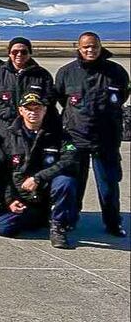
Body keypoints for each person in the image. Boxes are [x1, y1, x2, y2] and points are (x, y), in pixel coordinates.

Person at [54, 32, 129, 237]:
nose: (90, 50)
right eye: (86, 47)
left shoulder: (116, 72)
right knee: (74, 183)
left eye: (94, 46)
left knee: (109, 185)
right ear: (79, 48)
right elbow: (61, 99)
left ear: (100, 47)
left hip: (106, 139)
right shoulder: (67, 72)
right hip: (75, 137)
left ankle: (113, 223)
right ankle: (69, 220)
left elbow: (121, 97)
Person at [0, 92, 79, 249]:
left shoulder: (59, 135)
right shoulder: (8, 136)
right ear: (21, 111)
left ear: (45, 110)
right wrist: (10, 200)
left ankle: (57, 227)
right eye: (28, 109)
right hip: (21, 195)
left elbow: (70, 160)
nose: (33, 112)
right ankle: (37, 217)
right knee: (2, 227)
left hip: (46, 191)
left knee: (66, 181)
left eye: (37, 108)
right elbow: (1, 173)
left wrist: (38, 178)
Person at [0, 37, 56, 137]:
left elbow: (49, 98)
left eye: (24, 52)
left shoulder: (42, 74)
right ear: (9, 54)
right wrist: (10, 113)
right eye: (15, 52)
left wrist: (29, 114)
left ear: (29, 53)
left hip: (34, 126)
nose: (19, 55)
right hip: (6, 126)